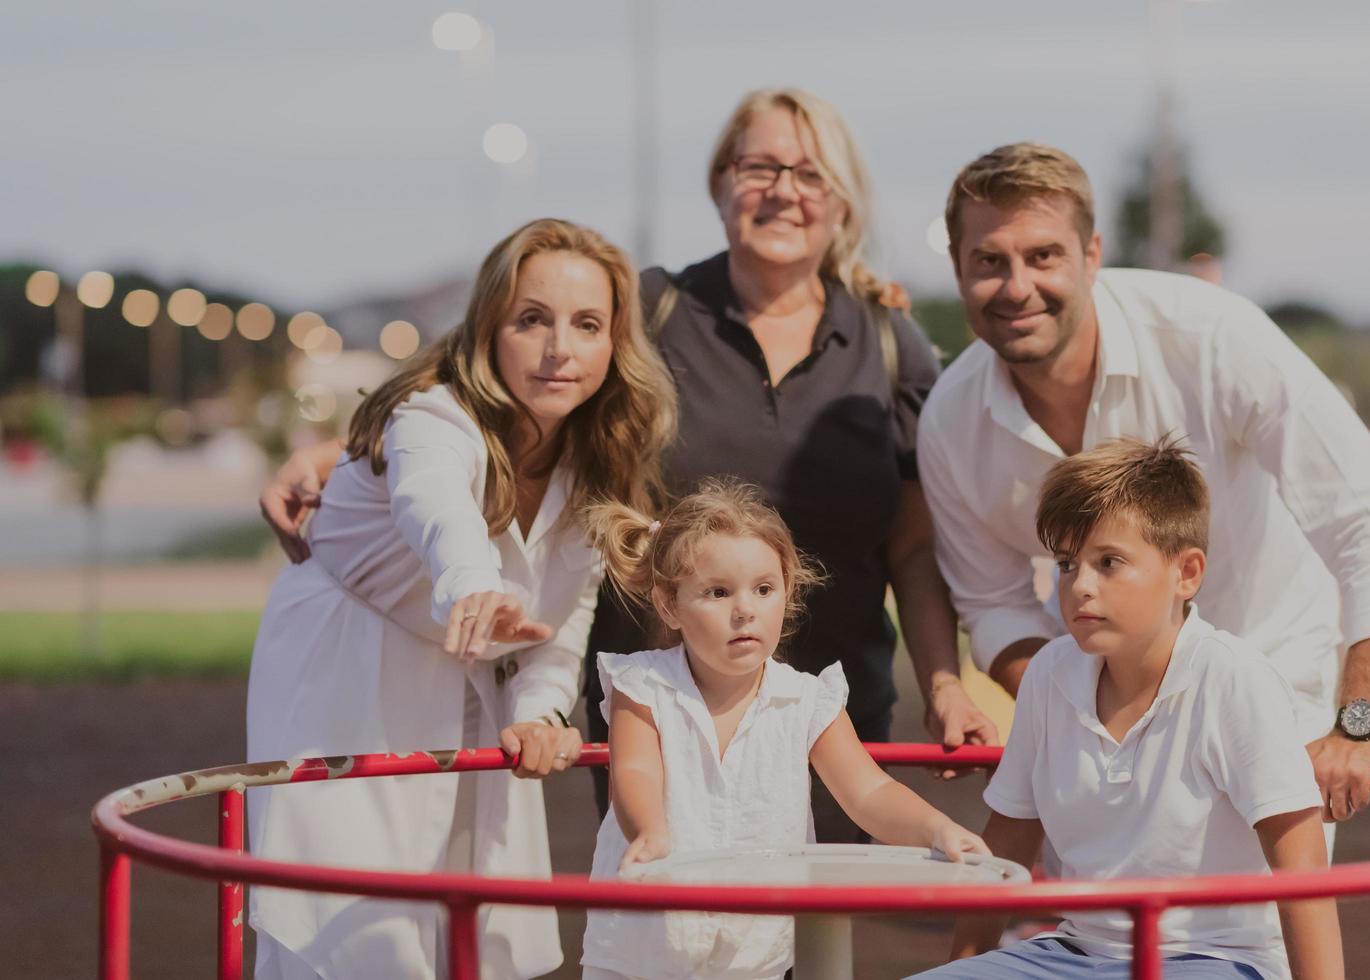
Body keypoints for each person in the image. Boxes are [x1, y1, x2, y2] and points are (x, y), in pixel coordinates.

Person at [262, 89, 999, 842]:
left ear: (844, 201)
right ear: (718, 182)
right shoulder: (653, 308)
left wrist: (944, 682)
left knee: (814, 948)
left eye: (810, 173)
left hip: (830, 710)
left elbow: (912, 546)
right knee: (668, 934)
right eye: (759, 166)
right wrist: (347, 449)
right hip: (663, 713)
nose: (783, 190)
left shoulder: (888, 340)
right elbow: (497, 372)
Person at [917, 143, 1370, 826]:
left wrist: (1363, 727)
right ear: (958, 269)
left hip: (1273, 695)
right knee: (1103, 931)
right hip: (1105, 726)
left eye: (1044, 255)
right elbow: (993, 604)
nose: (1017, 287)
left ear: (1092, 254)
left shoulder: (1214, 336)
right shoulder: (951, 421)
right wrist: (1078, 701)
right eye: (989, 261)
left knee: (1260, 931)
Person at [246, 218, 677, 979]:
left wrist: (540, 714)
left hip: (472, 679)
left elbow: (564, 623)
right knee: (354, 933)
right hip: (345, 672)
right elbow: (434, 502)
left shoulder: (591, 463)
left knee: (473, 934)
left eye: (587, 325)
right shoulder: (433, 416)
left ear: (616, 344)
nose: (559, 349)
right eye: (531, 319)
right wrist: (473, 580)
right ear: (487, 329)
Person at [911, 439, 1342, 980]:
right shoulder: (1050, 672)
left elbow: (1302, 874)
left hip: (1214, 960)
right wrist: (962, 970)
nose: (1080, 587)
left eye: (1109, 562)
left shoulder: (1234, 680)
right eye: (1067, 564)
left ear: (1186, 573)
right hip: (1074, 952)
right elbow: (1009, 841)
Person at [579, 479, 988, 980]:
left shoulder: (806, 699)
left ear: (787, 594)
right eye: (718, 592)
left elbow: (868, 790)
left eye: (764, 589)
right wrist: (649, 831)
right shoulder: (642, 685)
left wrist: (937, 828)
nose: (745, 609)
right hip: (643, 946)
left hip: (753, 953)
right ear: (669, 605)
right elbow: (634, 769)